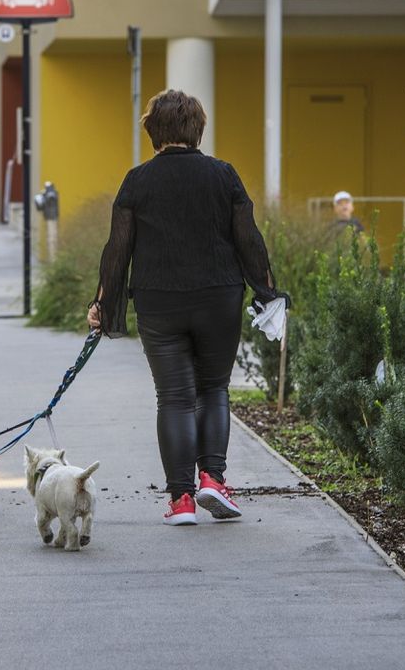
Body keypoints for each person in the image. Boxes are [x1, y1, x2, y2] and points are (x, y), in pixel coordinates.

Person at [87, 89, 285, 526]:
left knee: (173, 397)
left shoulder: (137, 180)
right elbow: (249, 239)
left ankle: (181, 501)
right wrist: (268, 292)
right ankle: (213, 479)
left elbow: (117, 248)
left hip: (159, 301)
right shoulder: (223, 175)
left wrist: (103, 302)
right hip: (219, 296)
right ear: (198, 129)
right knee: (214, 388)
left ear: (153, 131)